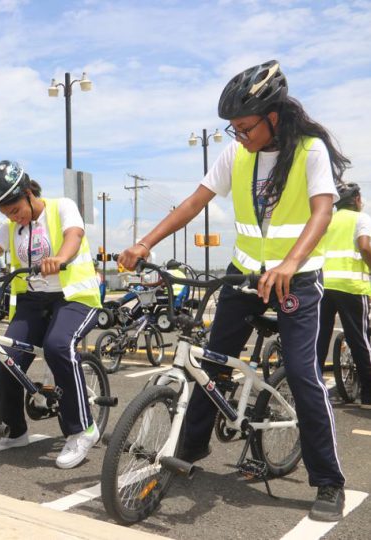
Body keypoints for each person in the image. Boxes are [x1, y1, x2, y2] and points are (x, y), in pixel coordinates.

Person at [117, 60, 349, 521]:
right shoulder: (236, 156)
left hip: (296, 280)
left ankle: (328, 481)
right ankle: (192, 445)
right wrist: (145, 242)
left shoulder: (309, 150)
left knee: (303, 375)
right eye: (234, 129)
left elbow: (322, 213)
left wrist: (290, 263)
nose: (239, 136)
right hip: (244, 276)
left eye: (245, 128)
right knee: (212, 362)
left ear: (273, 118)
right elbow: (193, 203)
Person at [0, 161, 102, 469]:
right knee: (5, 360)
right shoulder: (12, 228)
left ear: (28, 193)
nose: (12, 216)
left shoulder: (61, 207)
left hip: (74, 297)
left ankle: (82, 429)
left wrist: (60, 258)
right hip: (32, 300)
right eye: (5, 213)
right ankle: (16, 430)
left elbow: (74, 236)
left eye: (14, 209)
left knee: (57, 346)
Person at [316, 182, 371, 408]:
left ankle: (314, 391)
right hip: (351, 285)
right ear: (357, 199)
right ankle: (368, 395)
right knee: (360, 340)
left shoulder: (327, 220)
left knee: (319, 339)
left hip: (324, 285)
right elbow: (365, 247)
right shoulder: (361, 218)